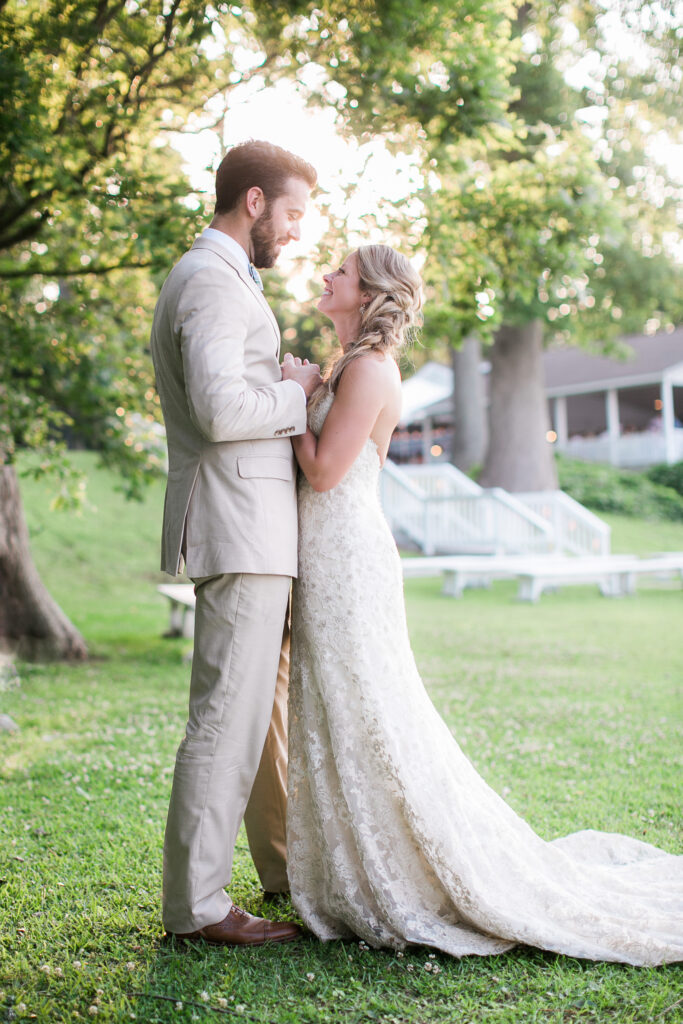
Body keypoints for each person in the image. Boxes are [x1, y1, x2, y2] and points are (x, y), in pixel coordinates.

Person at [285, 244, 683, 965]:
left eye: (338, 271)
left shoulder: (370, 369)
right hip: (330, 556)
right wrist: (311, 386)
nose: (325, 277)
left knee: (369, 707)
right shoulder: (349, 366)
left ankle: (402, 872)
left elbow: (321, 471)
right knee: (343, 706)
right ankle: (354, 866)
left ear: (369, 291)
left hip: (346, 557)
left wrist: (290, 401)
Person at [150, 140, 321, 946]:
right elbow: (222, 413)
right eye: (289, 214)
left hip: (247, 527)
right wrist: (293, 392)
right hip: (239, 526)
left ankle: (280, 869)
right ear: (252, 202)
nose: (293, 233)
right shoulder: (213, 283)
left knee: (251, 717)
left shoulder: (222, 278)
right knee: (225, 718)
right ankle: (199, 907)